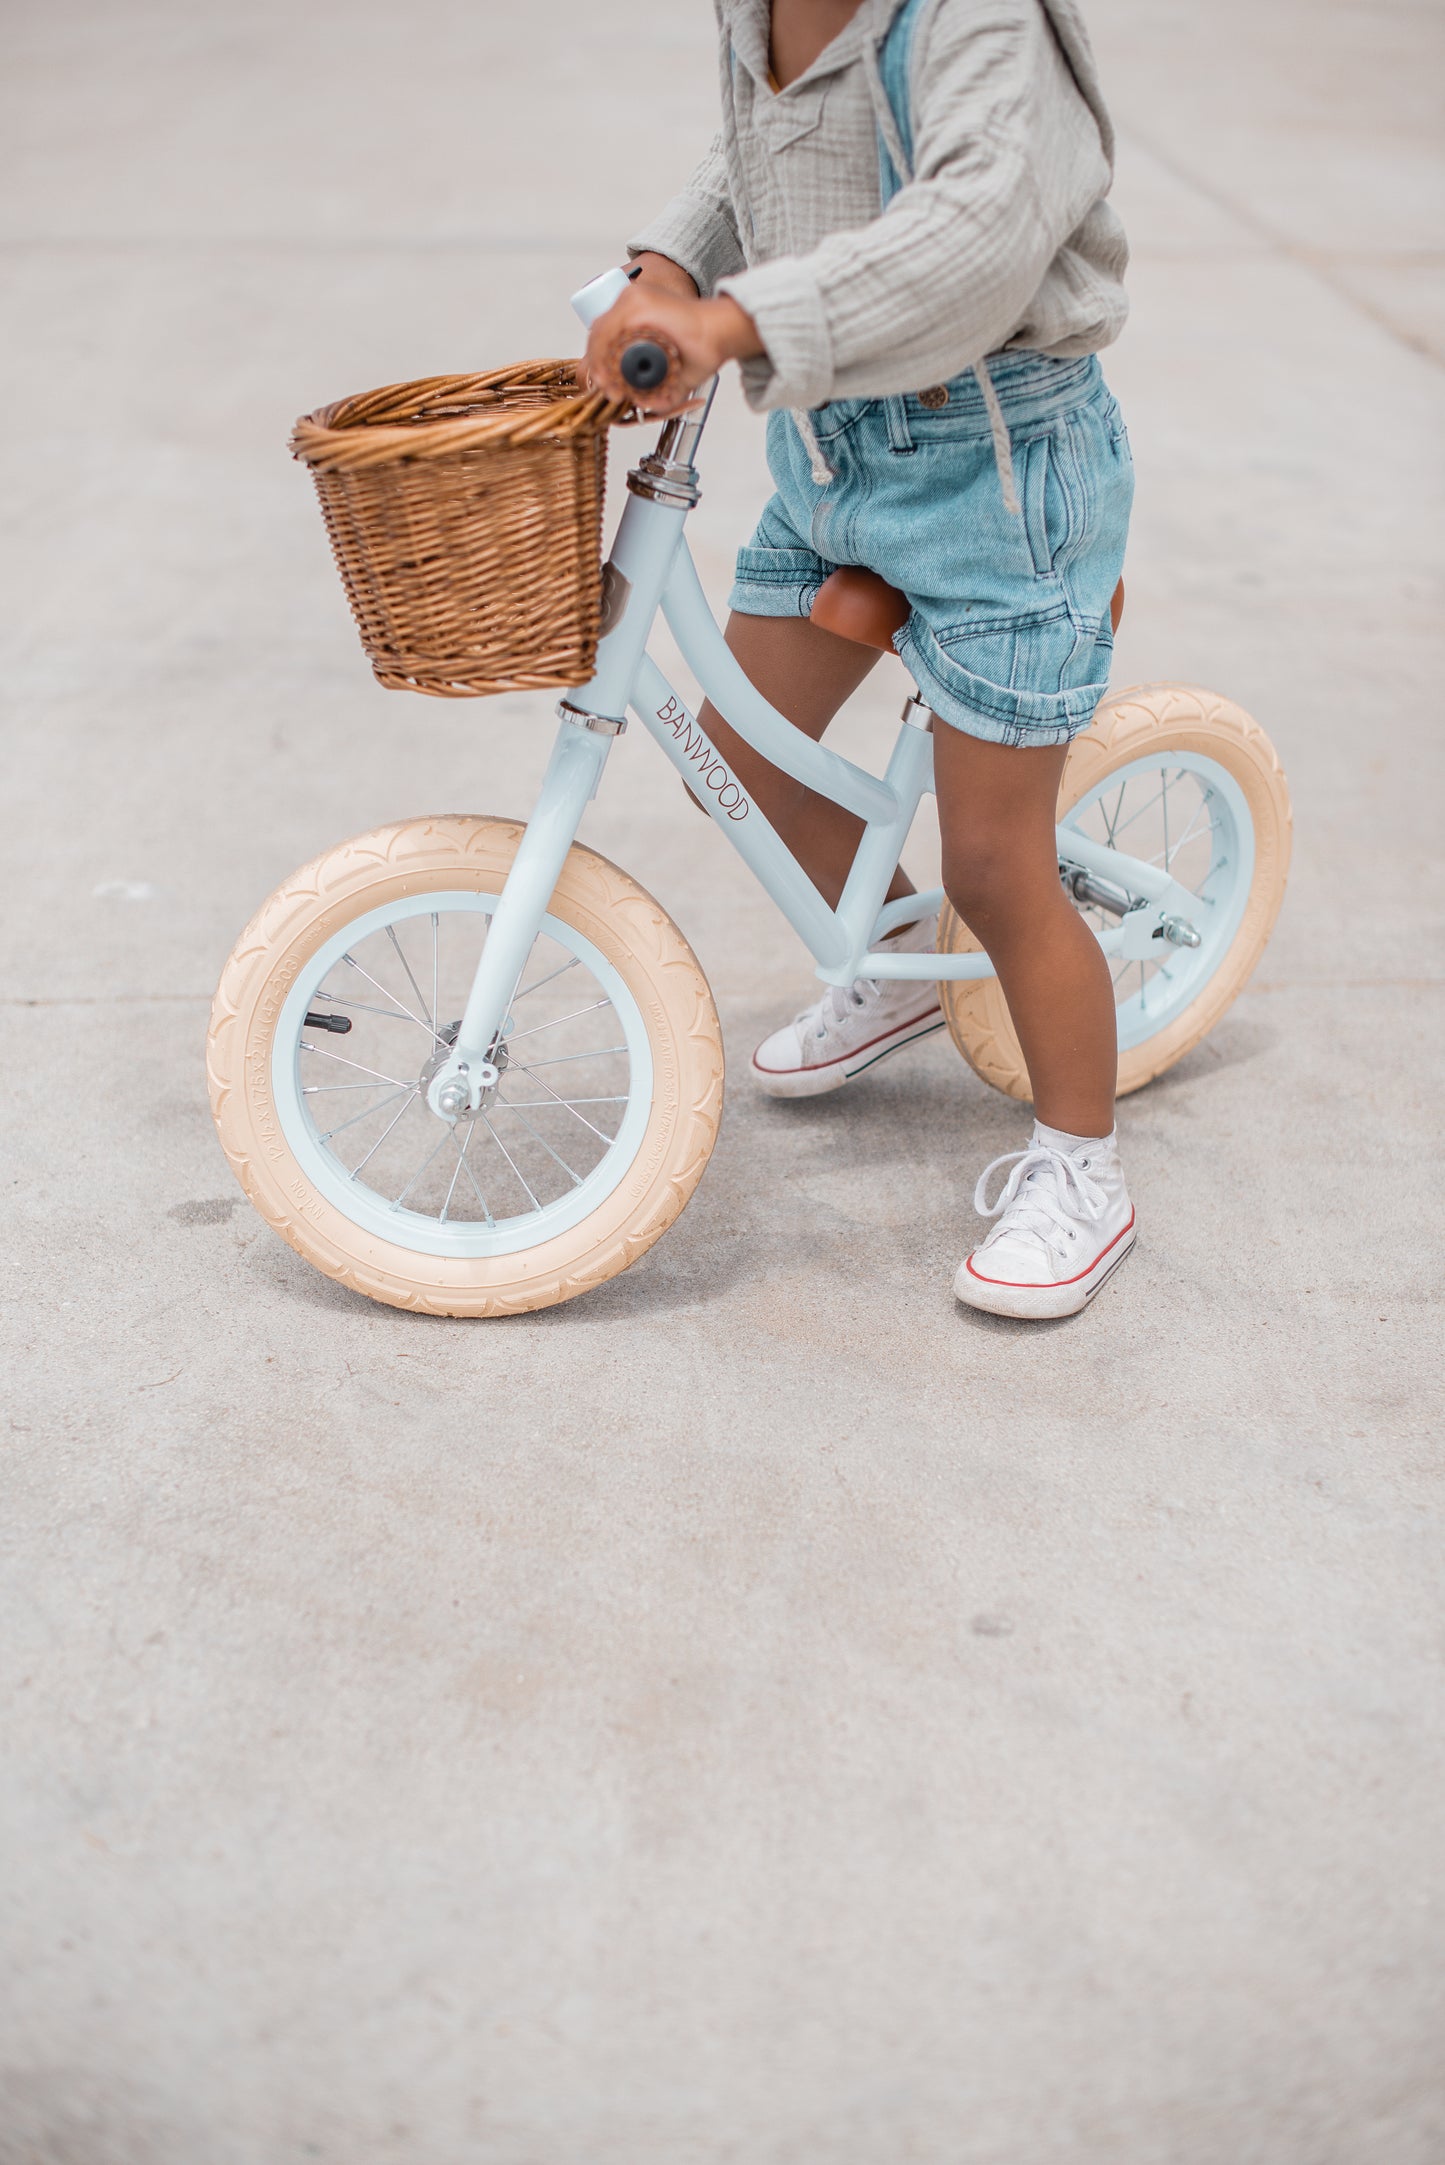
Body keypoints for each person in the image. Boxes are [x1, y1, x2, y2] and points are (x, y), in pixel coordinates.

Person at [585, 0, 1136, 1319]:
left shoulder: (977, 19)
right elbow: (752, 157)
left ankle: (1082, 1166)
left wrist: (732, 320)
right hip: (835, 455)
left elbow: (976, 230)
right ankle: (890, 957)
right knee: (737, 743)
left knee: (996, 871)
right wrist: (671, 260)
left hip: (998, 468)